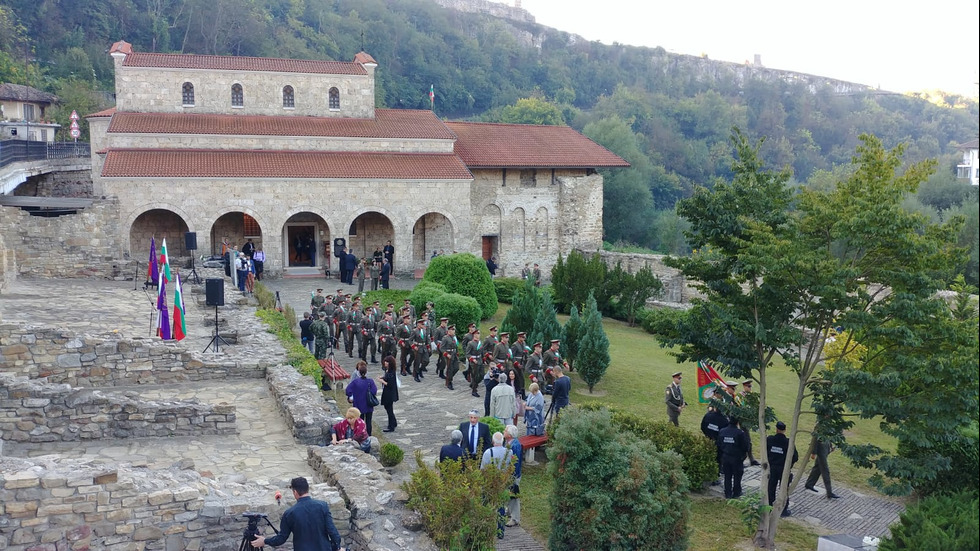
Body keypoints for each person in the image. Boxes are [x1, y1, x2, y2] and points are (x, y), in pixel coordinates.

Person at [250, 476, 345, 550]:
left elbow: (281, 538)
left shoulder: (289, 513)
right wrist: (337, 547)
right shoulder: (322, 506)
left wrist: (265, 541)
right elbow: (332, 531)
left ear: (295, 492)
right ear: (307, 489)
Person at [480, 431, 513, 539]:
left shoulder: (488, 453)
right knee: (501, 507)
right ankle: (500, 531)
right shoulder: (509, 452)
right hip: (502, 482)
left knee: (486, 504)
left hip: (490, 482)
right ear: (502, 441)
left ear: (493, 441)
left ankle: (485, 529)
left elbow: (483, 470)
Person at [767, 421, 799, 517]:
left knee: (771, 487)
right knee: (784, 489)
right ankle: (783, 510)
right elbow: (795, 457)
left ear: (776, 429)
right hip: (783, 469)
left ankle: (769, 506)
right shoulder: (788, 442)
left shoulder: (770, 439)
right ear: (784, 430)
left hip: (772, 467)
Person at [717, 417, 750, 499]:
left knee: (727, 476)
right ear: (737, 423)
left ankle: (728, 492)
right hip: (736, 458)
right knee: (737, 476)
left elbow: (719, 444)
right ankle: (736, 492)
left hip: (725, 457)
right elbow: (745, 446)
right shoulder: (740, 433)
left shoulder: (722, 431)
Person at [345, 362, 378, 436]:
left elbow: (348, 390)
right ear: (366, 372)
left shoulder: (355, 382)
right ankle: (369, 435)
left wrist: (352, 396)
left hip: (358, 405)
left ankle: (361, 434)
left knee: (360, 421)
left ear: (359, 373)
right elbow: (374, 391)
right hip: (368, 404)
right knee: (369, 421)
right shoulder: (370, 381)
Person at [700, 405, 729, 483]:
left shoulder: (708, 416)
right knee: (718, 459)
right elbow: (724, 433)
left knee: (707, 457)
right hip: (718, 443)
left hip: (708, 439)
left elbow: (702, 426)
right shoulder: (724, 420)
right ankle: (715, 476)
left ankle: (706, 474)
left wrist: (707, 435)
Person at [504, 425, 523, 527]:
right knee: (509, 494)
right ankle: (509, 511)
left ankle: (515, 518)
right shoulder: (508, 442)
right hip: (509, 474)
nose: (504, 431)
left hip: (513, 475)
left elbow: (514, 463)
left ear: (510, 435)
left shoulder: (515, 446)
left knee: (514, 496)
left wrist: (511, 476)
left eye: (505, 430)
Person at [377, 355, 399, 433]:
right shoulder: (388, 371)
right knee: (388, 408)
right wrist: (382, 377)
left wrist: (382, 381)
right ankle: (394, 422)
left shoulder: (391, 372)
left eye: (387, 362)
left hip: (389, 394)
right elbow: (387, 378)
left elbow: (390, 384)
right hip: (387, 392)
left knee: (389, 409)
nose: (385, 363)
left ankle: (391, 426)